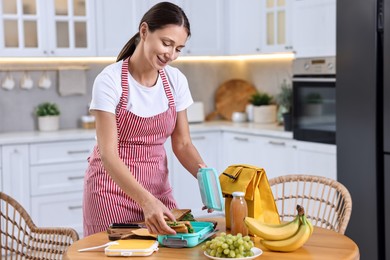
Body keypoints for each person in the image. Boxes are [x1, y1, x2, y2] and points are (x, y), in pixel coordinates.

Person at [83, 2, 210, 237]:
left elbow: (182, 144)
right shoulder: (109, 80)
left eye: (179, 48)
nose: (171, 55)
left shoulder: (176, 81)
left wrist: (208, 181)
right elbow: (108, 153)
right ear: (144, 31)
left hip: (158, 190)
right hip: (111, 191)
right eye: (166, 43)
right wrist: (145, 201)